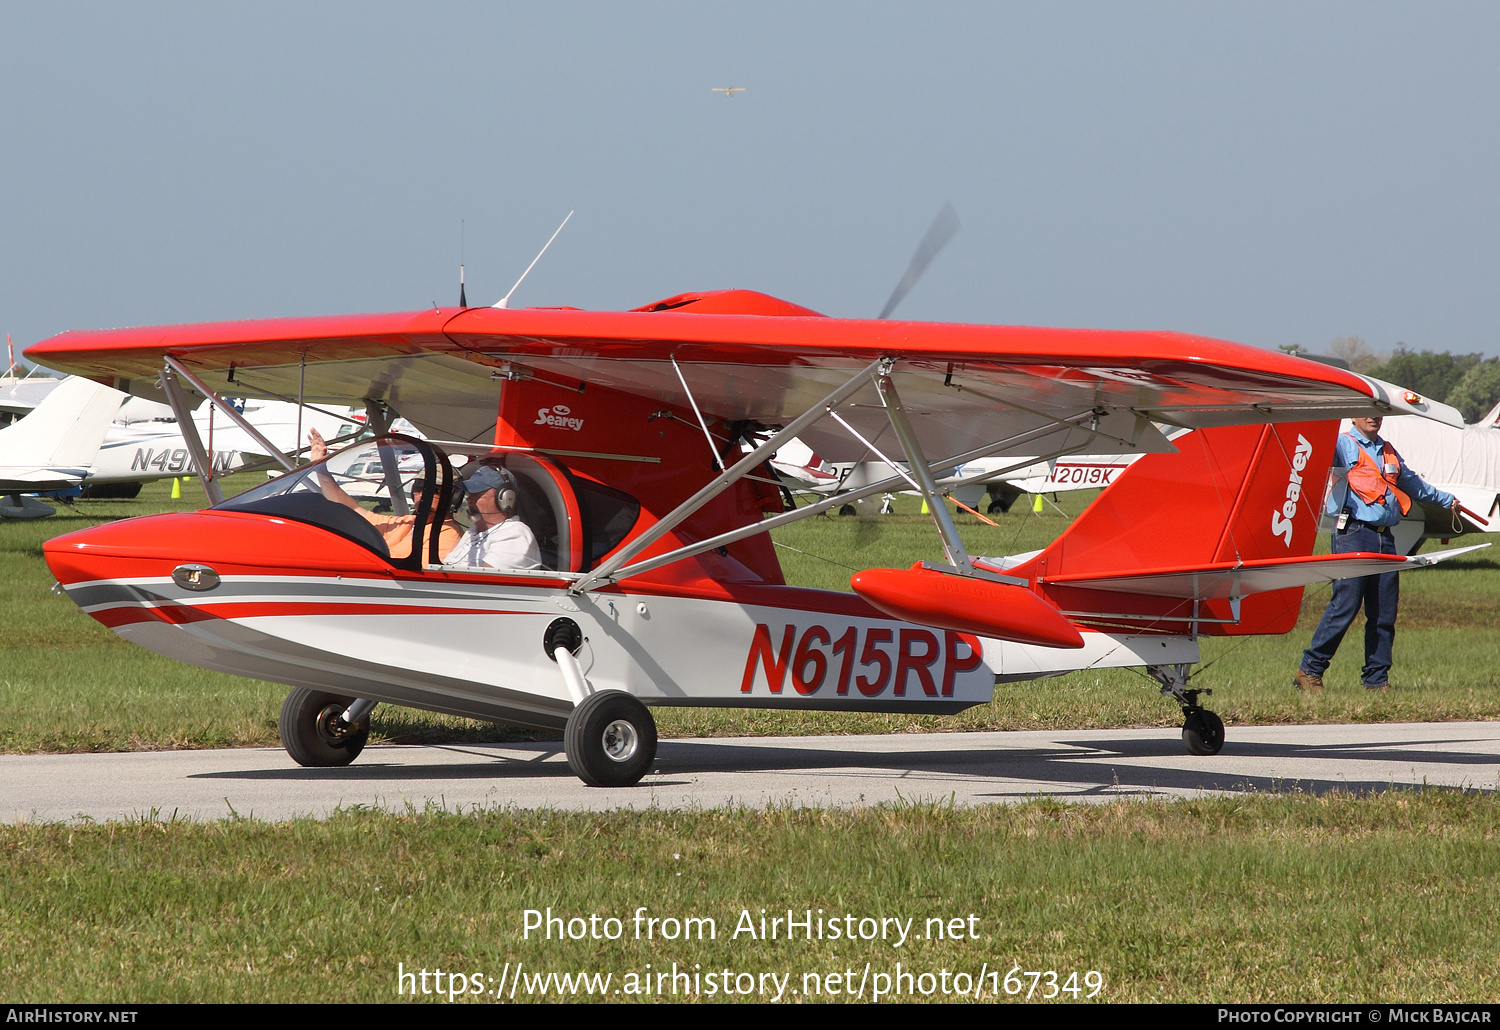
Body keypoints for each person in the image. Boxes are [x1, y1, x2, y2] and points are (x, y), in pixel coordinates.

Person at [1294, 415, 1457, 693]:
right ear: (1355, 416)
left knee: (1384, 611)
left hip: (1385, 537)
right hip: (1353, 533)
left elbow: (1412, 484)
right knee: (1346, 604)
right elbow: (1313, 454)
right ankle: (1310, 670)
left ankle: (1377, 680)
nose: (1373, 417)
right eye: (1367, 412)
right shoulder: (1343, 444)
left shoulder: (1388, 450)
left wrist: (1447, 500)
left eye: (1379, 412)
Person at [307, 428, 462, 561]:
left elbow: (409, 574)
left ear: (452, 497)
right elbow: (353, 511)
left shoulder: (448, 534)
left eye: (434, 491)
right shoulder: (407, 522)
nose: (422, 495)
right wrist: (321, 469)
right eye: (419, 488)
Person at [442, 464, 543, 570]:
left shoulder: (514, 534)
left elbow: (486, 580)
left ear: (505, 498)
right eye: (470, 493)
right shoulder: (473, 532)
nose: (469, 499)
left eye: (477, 494)